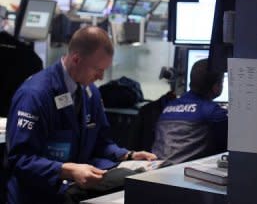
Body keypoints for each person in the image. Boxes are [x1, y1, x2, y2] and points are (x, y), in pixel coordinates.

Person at [6, 26, 156, 204]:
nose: (101, 77)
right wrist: (65, 170)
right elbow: (19, 159)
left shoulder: (90, 92)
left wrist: (127, 155)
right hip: (35, 196)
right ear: (76, 59)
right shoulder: (35, 94)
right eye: (97, 69)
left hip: (71, 194)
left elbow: (101, 143)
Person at [152, 59, 227, 165]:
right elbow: (231, 146)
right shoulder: (214, 112)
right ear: (216, 87)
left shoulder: (169, 106)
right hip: (181, 175)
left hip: (155, 171)